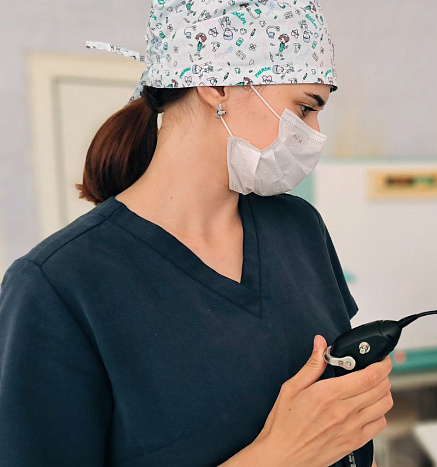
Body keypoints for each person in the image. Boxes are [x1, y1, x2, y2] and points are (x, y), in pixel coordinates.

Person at [0, 1, 393, 466]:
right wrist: (280, 455)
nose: (315, 134)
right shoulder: (57, 286)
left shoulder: (299, 228)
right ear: (217, 83)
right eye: (305, 108)